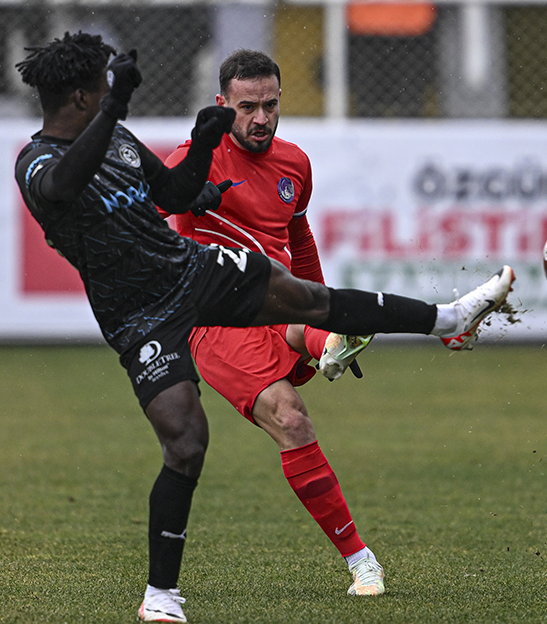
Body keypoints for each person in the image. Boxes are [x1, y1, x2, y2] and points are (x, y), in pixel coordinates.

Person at [14, 32, 514, 623]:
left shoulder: (121, 140)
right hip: (139, 315)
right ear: (81, 96)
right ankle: (161, 596)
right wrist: (116, 107)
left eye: (267, 105)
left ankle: (449, 320)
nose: (259, 117)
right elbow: (65, 186)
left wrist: (202, 142)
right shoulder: (36, 163)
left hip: (192, 272)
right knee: (186, 442)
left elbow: (172, 190)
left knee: (308, 298)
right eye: (100, 86)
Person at [164, 48, 387, 598]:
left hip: (276, 305)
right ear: (222, 106)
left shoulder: (294, 163)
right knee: (291, 419)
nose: (260, 118)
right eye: (247, 107)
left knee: (300, 307)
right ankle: (362, 561)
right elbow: (151, 213)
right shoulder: (193, 159)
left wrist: (325, 303)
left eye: (270, 104)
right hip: (216, 322)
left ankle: (334, 337)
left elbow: (300, 239)